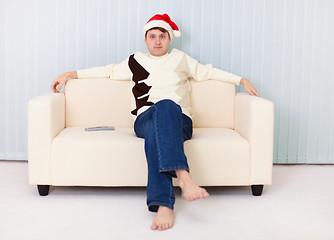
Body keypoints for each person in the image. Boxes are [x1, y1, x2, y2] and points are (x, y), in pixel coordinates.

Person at [51, 13, 259, 231]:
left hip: (180, 121)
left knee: (163, 115)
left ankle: (163, 204)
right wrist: (70, 74)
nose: (157, 40)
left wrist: (241, 80)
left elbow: (209, 71)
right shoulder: (135, 60)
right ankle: (183, 176)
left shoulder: (180, 58)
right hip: (145, 118)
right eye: (152, 36)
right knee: (160, 110)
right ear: (145, 40)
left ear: (169, 39)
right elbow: (107, 70)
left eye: (162, 36)